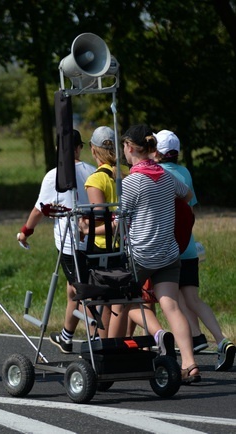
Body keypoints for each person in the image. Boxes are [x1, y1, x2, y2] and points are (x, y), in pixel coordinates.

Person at [121, 124, 200, 383]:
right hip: (168, 253)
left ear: (130, 148)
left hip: (141, 255)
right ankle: (189, 364)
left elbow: (118, 219)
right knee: (172, 305)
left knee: (121, 301)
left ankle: (155, 335)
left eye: (123, 146)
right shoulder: (167, 177)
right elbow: (186, 195)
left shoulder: (131, 182)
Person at [154, 130, 234, 371]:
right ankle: (221, 340)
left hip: (169, 246)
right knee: (192, 298)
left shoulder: (158, 175)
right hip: (188, 245)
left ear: (156, 151)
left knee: (171, 300)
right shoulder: (184, 172)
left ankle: (188, 350)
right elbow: (191, 208)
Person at [17, 130, 96, 353]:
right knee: (72, 289)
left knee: (81, 290)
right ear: (80, 147)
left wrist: (25, 232)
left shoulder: (55, 175)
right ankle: (66, 336)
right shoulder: (93, 171)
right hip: (95, 241)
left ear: (58, 150)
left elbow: (39, 209)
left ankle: (96, 340)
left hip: (71, 244)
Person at [79, 126, 131, 339]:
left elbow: (100, 216)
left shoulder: (95, 180)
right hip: (123, 245)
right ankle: (114, 344)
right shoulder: (125, 175)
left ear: (93, 150)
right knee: (117, 300)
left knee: (99, 301)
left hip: (101, 247)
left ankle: (100, 344)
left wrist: (84, 227)